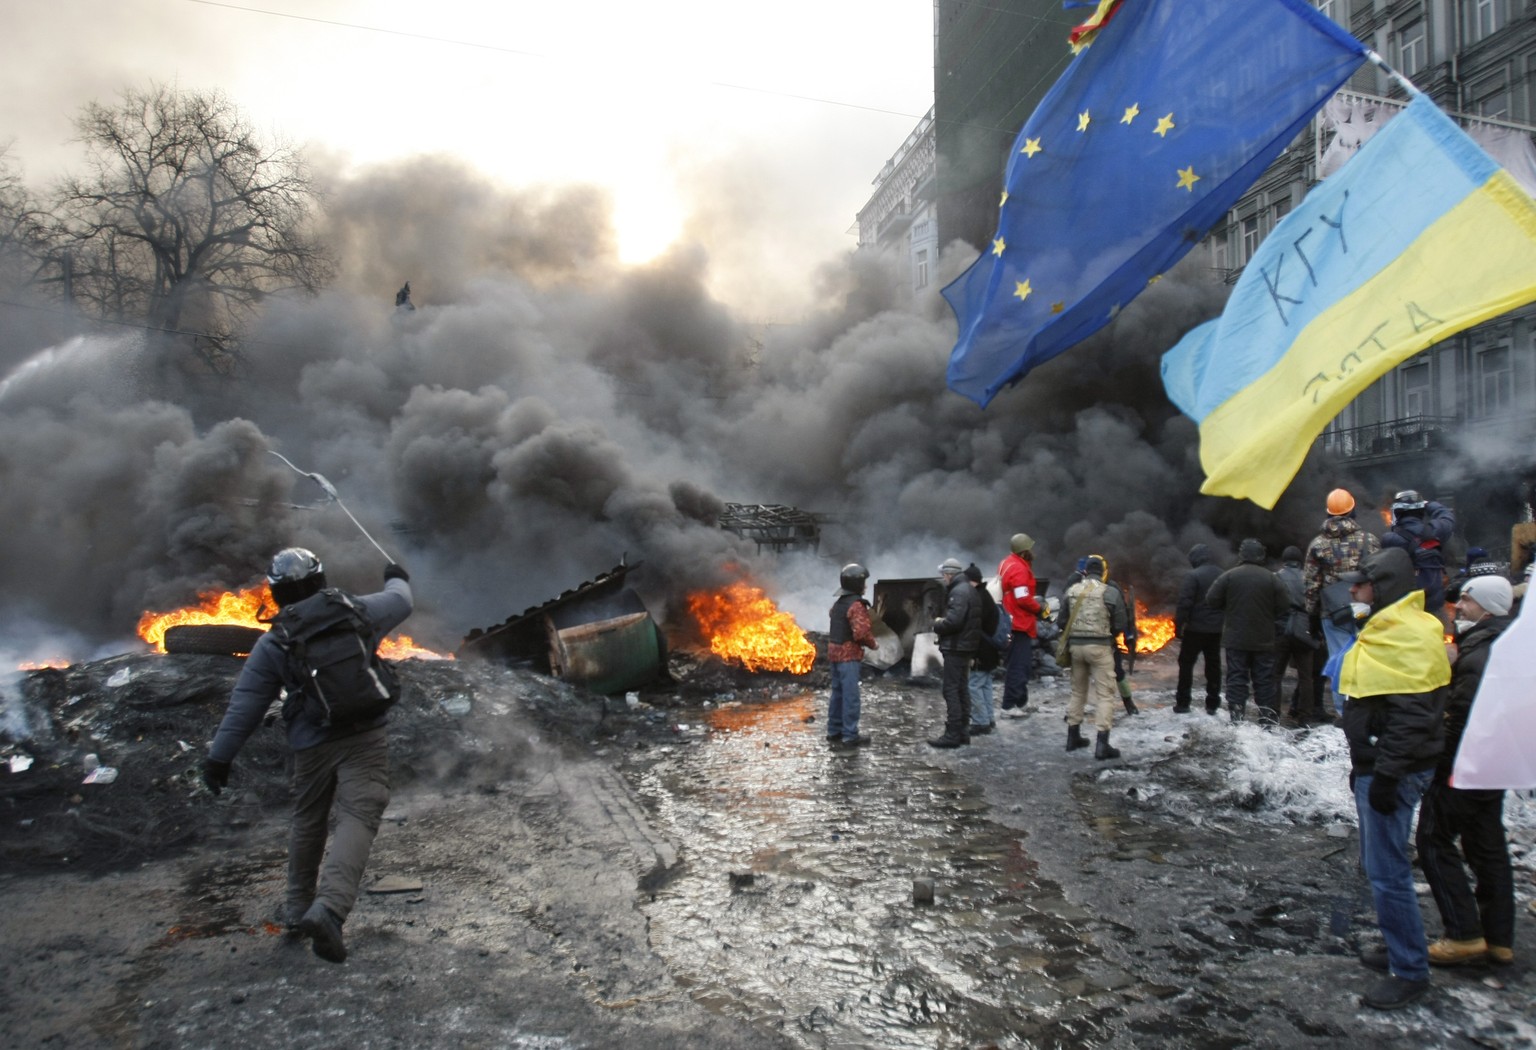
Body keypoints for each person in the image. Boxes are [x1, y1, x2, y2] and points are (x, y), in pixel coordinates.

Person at [202, 549, 413, 964]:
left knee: (308, 819)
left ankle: (298, 908)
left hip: (311, 743)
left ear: (276, 594)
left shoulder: (274, 641)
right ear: (321, 581)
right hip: (364, 736)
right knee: (359, 815)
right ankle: (329, 910)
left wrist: (218, 759)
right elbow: (402, 600)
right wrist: (395, 575)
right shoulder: (358, 611)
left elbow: (246, 705)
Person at [1336, 547, 1451, 1010]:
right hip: (1381, 766)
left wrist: (1383, 774)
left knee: (1387, 874)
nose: (1352, 592)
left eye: (1360, 585)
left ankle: (1409, 969)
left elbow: (1409, 718)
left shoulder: (1402, 634)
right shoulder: (1391, 629)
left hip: (1394, 771)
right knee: (1378, 866)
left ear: (1382, 588)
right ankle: (1397, 940)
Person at [1416, 574, 1517, 968]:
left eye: (1467, 601)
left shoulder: (1479, 653)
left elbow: (1461, 718)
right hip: (1497, 762)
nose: (1458, 607)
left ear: (1486, 606)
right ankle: (1500, 938)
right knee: (1487, 845)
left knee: (1433, 839)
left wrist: (1440, 765)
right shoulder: (1504, 644)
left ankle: (1463, 933)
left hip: (1465, 764)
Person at [1303, 487, 1380, 718]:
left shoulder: (1318, 544)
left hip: (1332, 611)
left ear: (1328, 513)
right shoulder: (1369, 540)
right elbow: (1378, 575)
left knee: (1339, 659)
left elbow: (1311, 583)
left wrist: (1312, 615)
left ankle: (1343, 712)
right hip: (1365, 608)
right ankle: (1366, 707)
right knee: (1367, 657)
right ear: (1352, 510)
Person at [1204, 539, 1291, 725]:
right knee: (1264, 680)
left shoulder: (1229, 576)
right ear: (1261, 555)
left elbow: (1211, 600)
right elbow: (1285, 605)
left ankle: (1237, 719)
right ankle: (1266, 720)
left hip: (1236, 639)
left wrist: (1230, 607)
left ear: (1242, 555)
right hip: (1264, 640)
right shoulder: (1272, 578)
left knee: (1236, 678)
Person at [1061, 555, 1129, 759]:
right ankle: (1102, 745)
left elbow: (1061, 621)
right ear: (1102, 572)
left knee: (1078, 692)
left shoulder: (1071, 591)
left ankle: (1073, 738)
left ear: (1085, 572)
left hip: (1075, 649)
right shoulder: (1110, 592)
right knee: (1105, 695)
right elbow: (1120, 624)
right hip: (1100, 648)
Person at [929, 557, 982, 749]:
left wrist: (937, 624)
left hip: (956, 647)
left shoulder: (958, 592)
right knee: (961, 688)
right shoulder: (969, 589)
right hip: (966, 646)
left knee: (950, 689)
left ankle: (952, 734)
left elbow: (954, 621)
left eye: (944, 574)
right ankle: (963, 732)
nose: (943, 578)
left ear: (949, 574)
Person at [1381, 489, 1455, 623]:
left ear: (1397, 513)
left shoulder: (1390, 539)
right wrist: (1428, 504)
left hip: (1408, 605)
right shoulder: (1436, 530)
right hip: (1435, 602)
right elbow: (1446, 515)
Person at [826, 563, 878, 749]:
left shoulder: (839, 603)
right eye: (863, 582)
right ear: (857, 584)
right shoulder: (856, 605)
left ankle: (834, 731)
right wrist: (874, 644)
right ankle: (850, 735)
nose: (865, 586)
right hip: (848, 657)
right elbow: (861, 633)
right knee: (850, 696)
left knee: (837, 694)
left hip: (834, 654)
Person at [1173, 543, 1224, 714]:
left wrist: (1178, 626)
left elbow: (1184, 603)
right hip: (1216, 630)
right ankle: (1212, 703)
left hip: (1195, 629)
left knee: (1186, 664)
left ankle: (1183, 703)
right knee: (1213, 666)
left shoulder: (1193, 576)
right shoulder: (1222, 574)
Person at [1272, 545, 1320, 726]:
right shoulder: (1308, 578)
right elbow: (1316, 604)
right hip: (1304, 629)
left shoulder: (1276, 578)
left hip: (1281, 630)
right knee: (1306, 676)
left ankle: (1273, 713)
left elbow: (1272, 604)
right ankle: (1305, 715)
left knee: (1275, 674)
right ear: (1300, 561)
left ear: (1284, 560)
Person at [997, 533, 1043, 716]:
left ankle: (1021, 702)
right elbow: (1023, 598)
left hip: (1011, 620)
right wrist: (1039, 609)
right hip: (1019, 623)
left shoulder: (1007, 562)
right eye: (1029, 549)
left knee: (1021, 665)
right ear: (1024, 552)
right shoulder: (1019, 569)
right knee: (1018, 666)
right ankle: (1008, 707)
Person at [964, 563, 1007, 736]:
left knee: (974, 685)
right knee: (985, 685)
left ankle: (980, 722)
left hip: (981, 651)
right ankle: (989, 719)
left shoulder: (976, 599)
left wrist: (972, 654)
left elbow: (974, 629)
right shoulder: (986, 595)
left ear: (971, 581)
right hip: (990, 651)